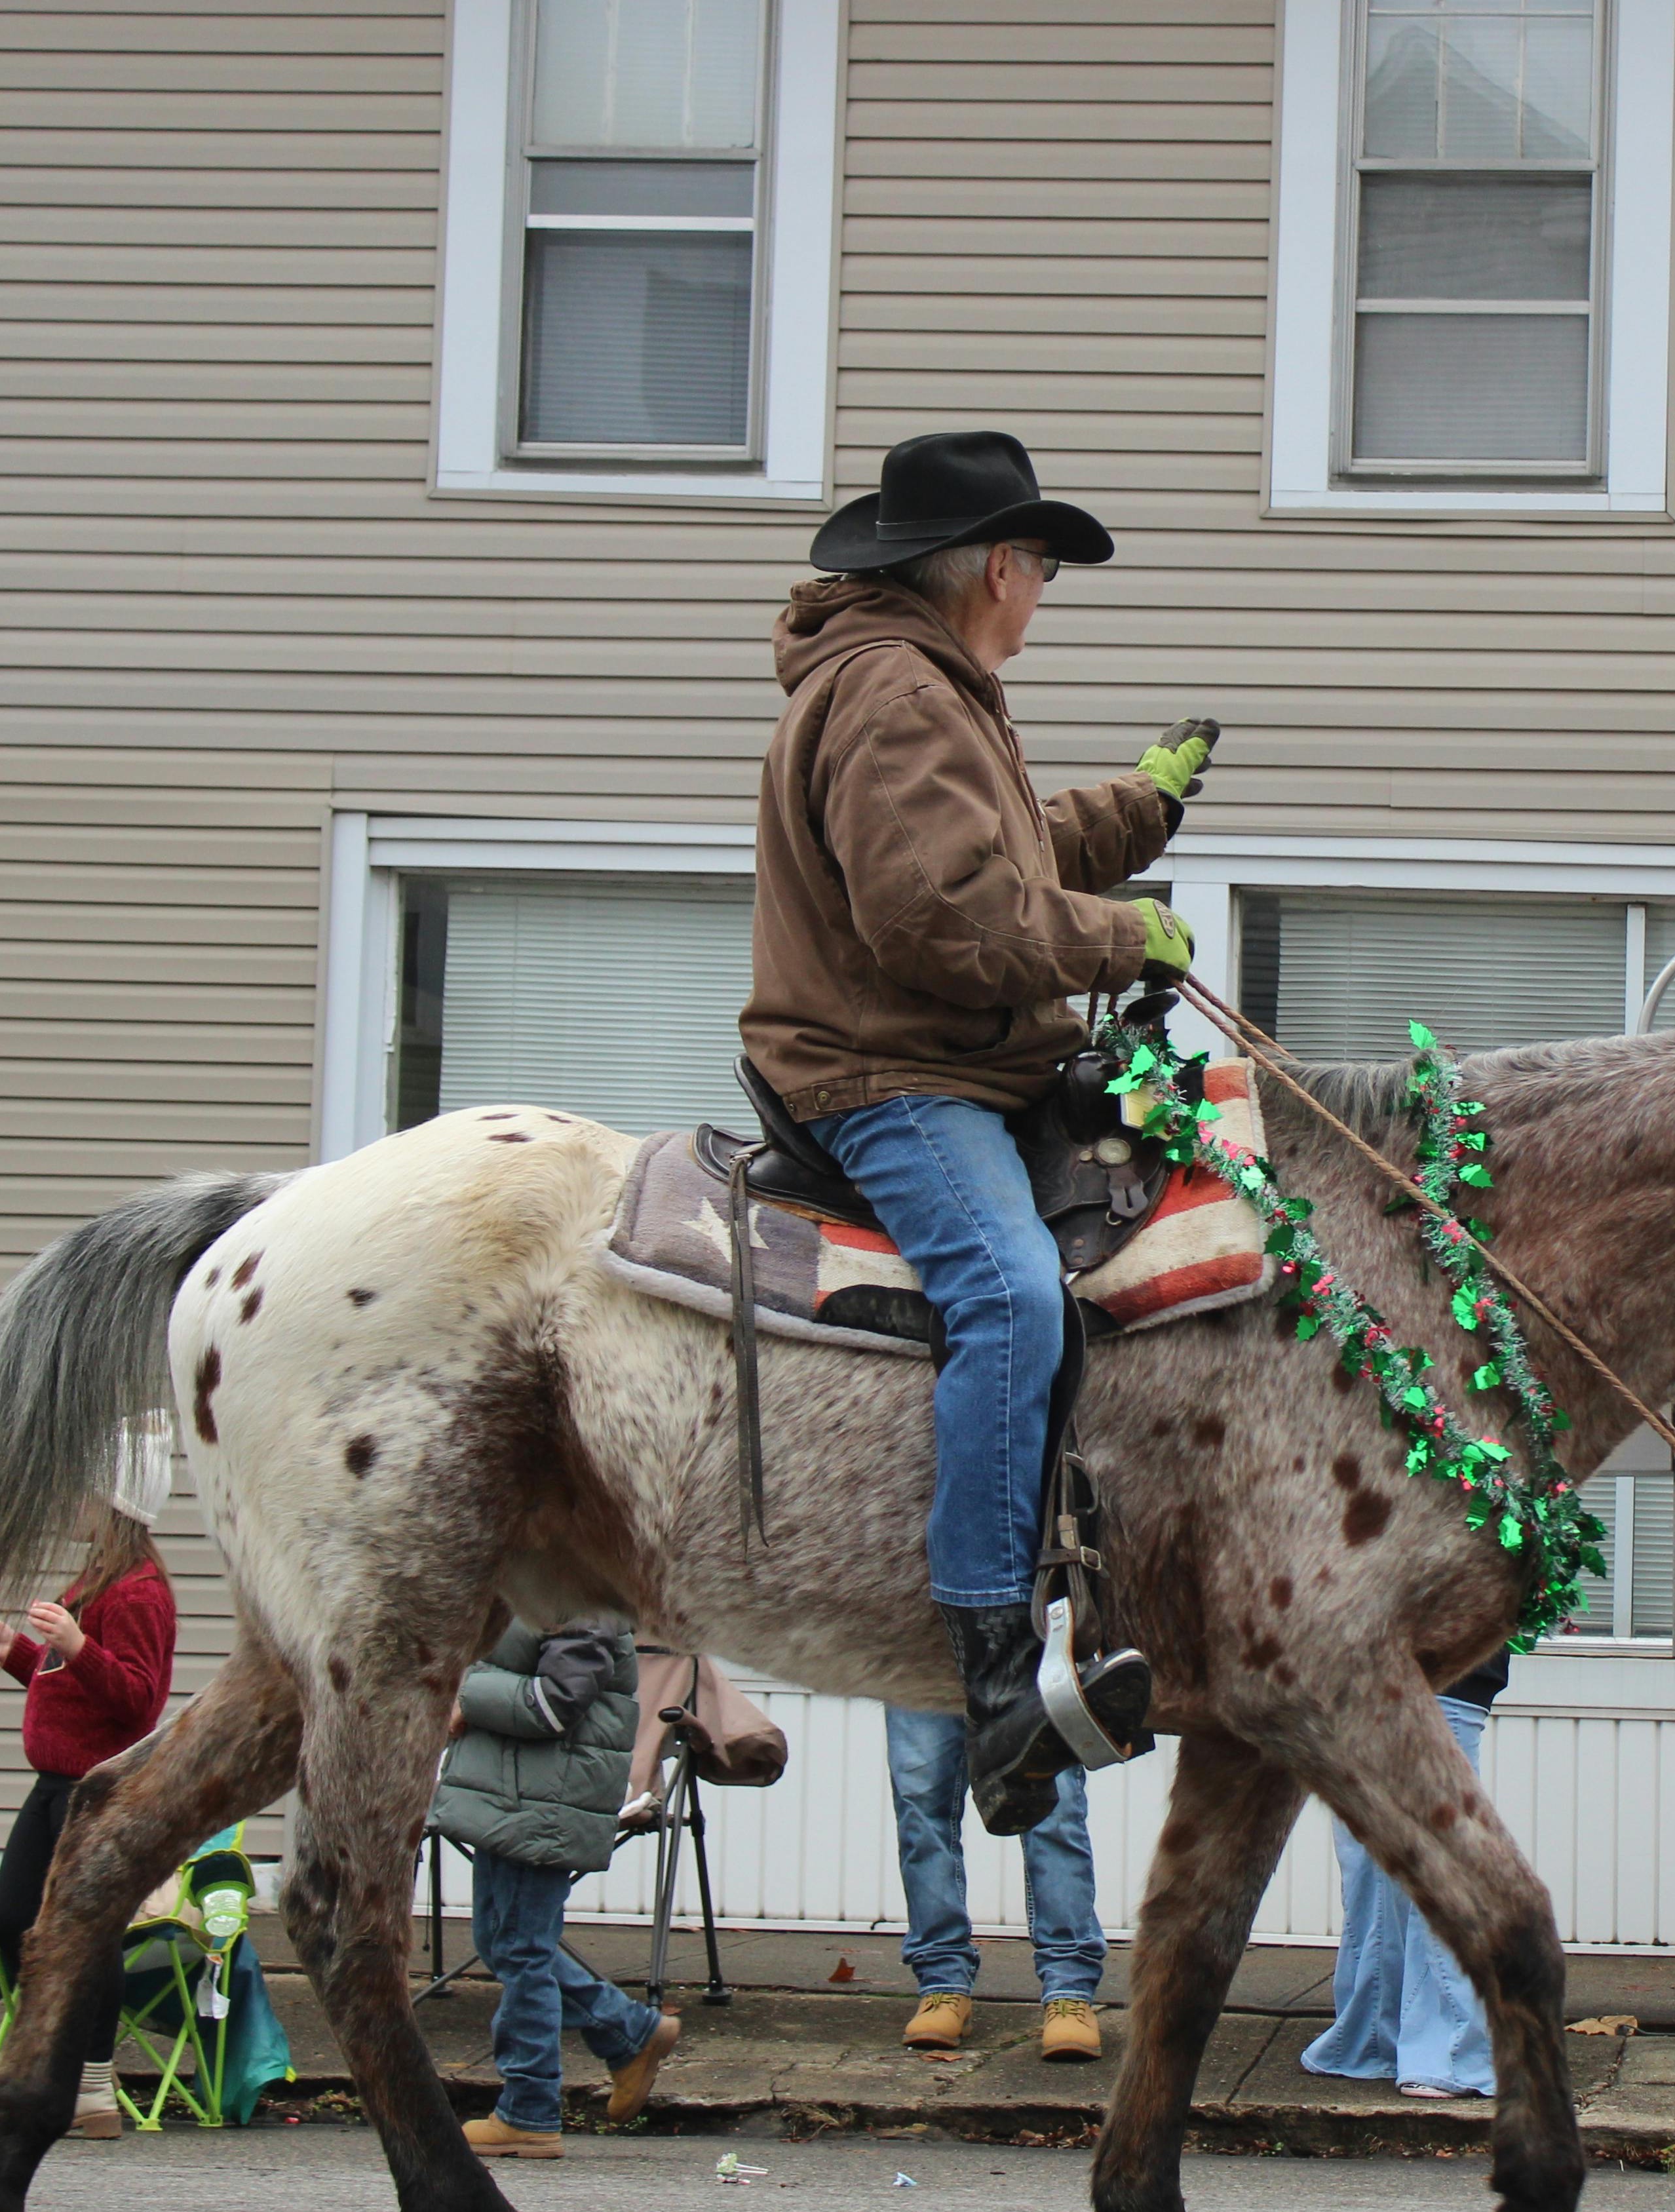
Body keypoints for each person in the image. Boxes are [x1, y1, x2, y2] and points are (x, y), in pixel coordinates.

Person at [743, 427, 1220, 1837]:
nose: (1042, 595)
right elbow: (939, 916)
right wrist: (1122, 933)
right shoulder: (899, 694)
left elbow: (993, 852)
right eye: (1044, 571)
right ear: (999, 567)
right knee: (1012, 1298)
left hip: (944, 1061)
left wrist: (1139, 811)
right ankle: (994, 1677)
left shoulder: (925, 680)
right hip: (889, 1074)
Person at [0, 1483, 178, 2140]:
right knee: (10, 1919)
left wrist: (78, 1643)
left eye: (84, 1497)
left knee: (89, 1937)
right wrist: (18, 1653)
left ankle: (90, 2085)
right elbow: (70, 1682)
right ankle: (59, 2061)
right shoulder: (97, 1580)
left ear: (115, 1509)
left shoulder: (139, 1591)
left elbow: (140, 1702)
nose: (73, 1507)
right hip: (53, 1785)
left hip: (95, 1789)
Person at [433, 1621, 682, 2158]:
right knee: (502, 1940)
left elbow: (556, 1702)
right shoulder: (539, 1583)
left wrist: (467, 1694)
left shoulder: (581, 1595)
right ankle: (628, 2031)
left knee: (521, 1948)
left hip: (545, 1799)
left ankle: (529, 2110)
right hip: (512, 1791)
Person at [1301, 1655, 1507, 2099]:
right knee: (1400, 1863)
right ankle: (1418, 2045)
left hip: (1388, 1670)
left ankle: (1403, 2042)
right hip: (1399, 1669)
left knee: (1400, 1861)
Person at [887, 1707, 1108, 2063]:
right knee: (921, 1805)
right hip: (920, 1656)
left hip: (1027, 1653)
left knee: (1056, 1810)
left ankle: (1069, 1990)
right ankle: (942, 1985)